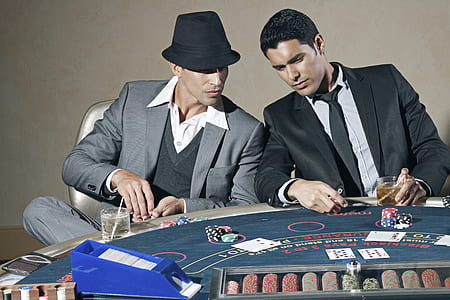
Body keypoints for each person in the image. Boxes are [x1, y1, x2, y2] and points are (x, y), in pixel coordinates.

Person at [23, 11, 264, 246]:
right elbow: (74, 165)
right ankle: (115, 260)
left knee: (100, 254)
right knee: (39, 209)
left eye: (222, 68)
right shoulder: (134, 100)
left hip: (188, 241)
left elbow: (245, 208)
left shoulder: (245, 130)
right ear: (176, 67)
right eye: (205, 70)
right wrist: (118, 177)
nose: (217, 80)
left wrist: (185, 206)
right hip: (115, 235)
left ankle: (111, 263)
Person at [255, 9, 450, 213]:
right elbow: (266, 177)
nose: (291, 75)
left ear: (319, 43)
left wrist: (419, 184)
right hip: (335, 227)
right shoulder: (280, 115)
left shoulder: (387, 82)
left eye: (297, 60)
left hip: (402, 214)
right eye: (280, 68)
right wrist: (295, 188)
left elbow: (433, 148)